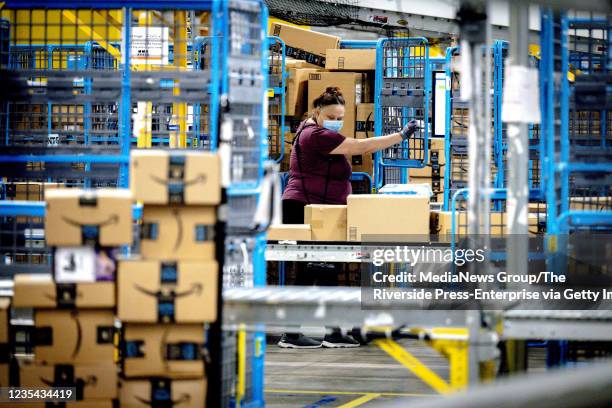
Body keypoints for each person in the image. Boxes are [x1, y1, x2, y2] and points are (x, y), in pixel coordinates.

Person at [278, 86, 419, 349]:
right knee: (313, 271)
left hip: (320, 208)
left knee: (327, 270)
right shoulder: (315, 135)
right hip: (310, 208)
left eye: (340, 116)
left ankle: (329, 332)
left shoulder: (312, 131)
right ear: (318, 112)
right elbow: (362, 147)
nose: (336, 121)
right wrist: (399, 136)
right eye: (332, 116)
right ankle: (293, 334)